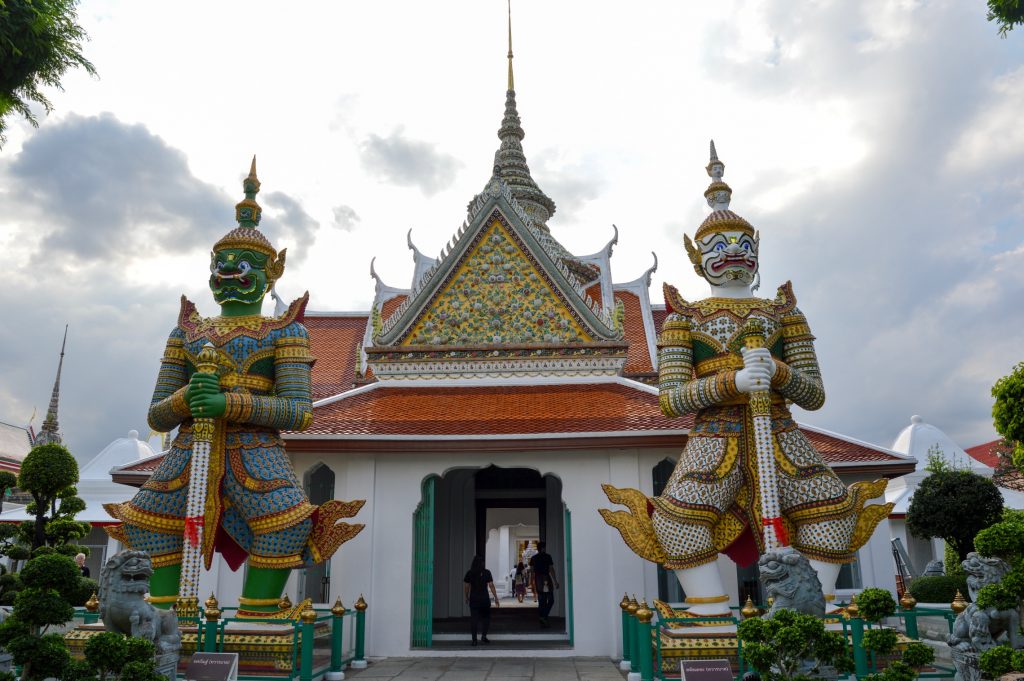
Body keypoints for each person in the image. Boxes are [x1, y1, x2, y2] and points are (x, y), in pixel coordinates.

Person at [602, 141, 889, 615]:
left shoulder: (783, 315)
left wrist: (777, 371)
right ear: (699, 259)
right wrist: (730, 384)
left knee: (832, 515)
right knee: (677, 524)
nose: (733, 253)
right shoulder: (684, 318)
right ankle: (710, 608)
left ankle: (810, 608)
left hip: (778, 429)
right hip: (716, 435)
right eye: (719, 246)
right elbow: (670, 399)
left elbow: (814, 395)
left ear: (757, 252)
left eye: (743, 245)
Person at [103, 160, 364, 617]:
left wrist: (229, 402)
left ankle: (258, 615)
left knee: (286, 525)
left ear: (271, 273)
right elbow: (156, 415)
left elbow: (300, 412)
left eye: (242, 265)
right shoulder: (186, 332)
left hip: (255, 451)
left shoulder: (285, 332)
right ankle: (161, 615)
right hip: (189, 450)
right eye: (220, 265)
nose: (229, 273)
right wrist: (187, 399)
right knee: (148, 522)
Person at [463, 555, 500, 646]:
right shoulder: (487, 572)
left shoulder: (469, 573)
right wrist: (496, 597)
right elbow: (491, 585)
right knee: (486, 618)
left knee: (474, 619)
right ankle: (483, 636)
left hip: (474, 598)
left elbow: (467, 587)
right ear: (482, 563)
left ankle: (474, 640)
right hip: (484, 598)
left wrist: (466, 596)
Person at [529, 542, 558, 626]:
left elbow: (531, 572)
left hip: (538, 579)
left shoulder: (533, 558)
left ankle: (543, 617)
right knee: (551, 600)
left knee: (542, 601)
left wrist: (532, 583)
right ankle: (543, 617)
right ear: (543, 548)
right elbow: (551, 569)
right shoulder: (548, 556)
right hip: (546, 579)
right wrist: (555, 581)